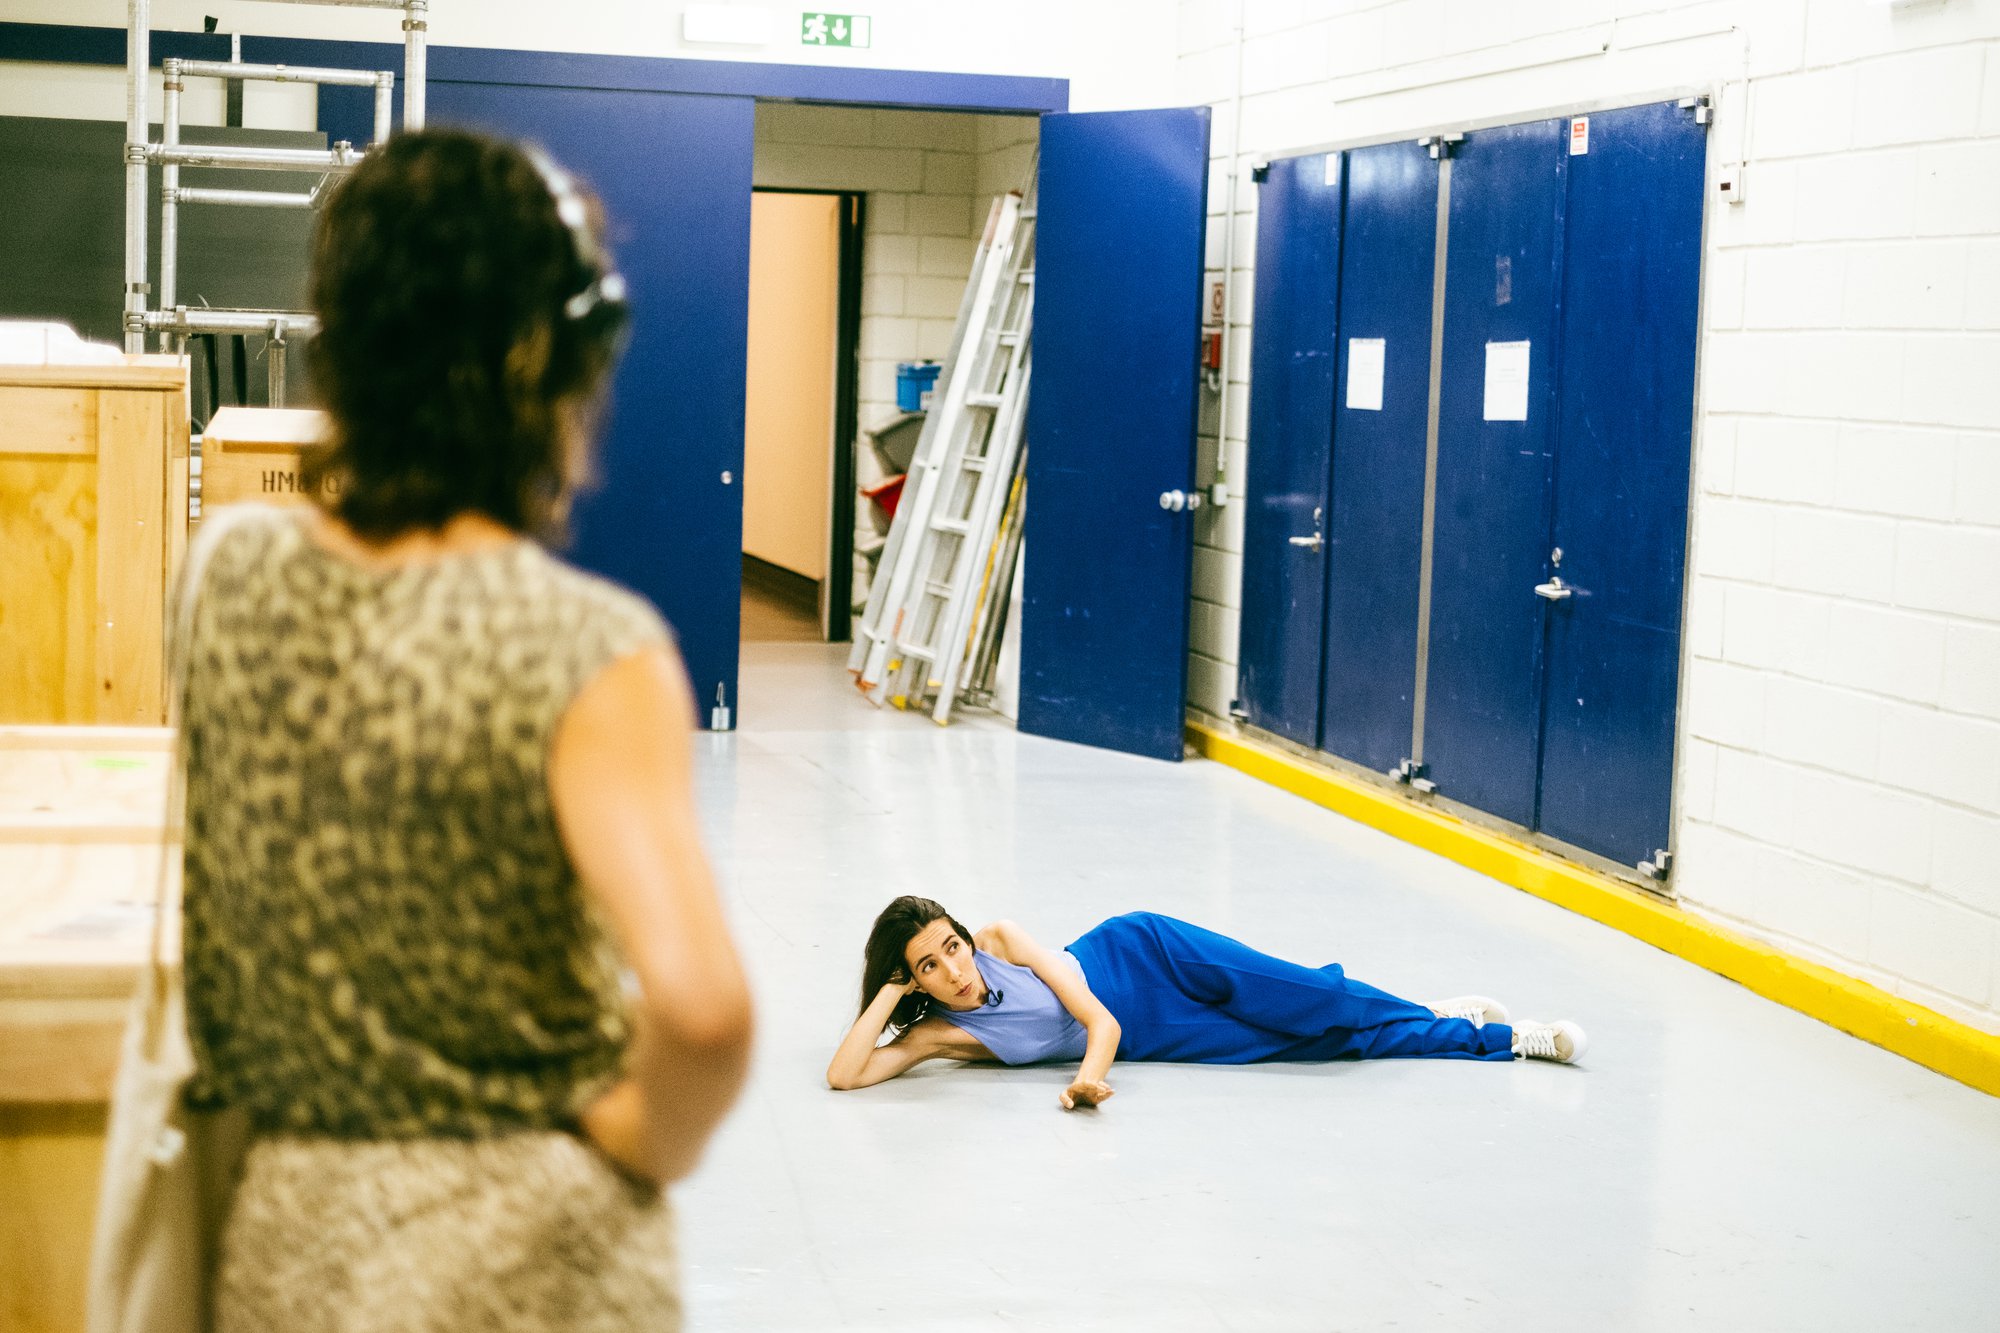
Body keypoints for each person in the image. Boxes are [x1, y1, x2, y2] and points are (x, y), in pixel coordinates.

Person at [175, 129, 753, 1331]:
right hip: (525, 1250)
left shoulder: (225, 571)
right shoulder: (587, 646)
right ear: (544, 357)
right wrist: (625, 1141)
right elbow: (703, 1013)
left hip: (288, 1229)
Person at [828, 898, 1585, 1108]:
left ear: (966, 936)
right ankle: (1437, 1021)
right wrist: (889, 992)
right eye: (928, 966)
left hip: (1144, 955)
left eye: (949, 947)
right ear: (915, 981)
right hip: (1162, 1033)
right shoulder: (939, 1034)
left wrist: (1089, 1080)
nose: (953, 968)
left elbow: (1100, 1021)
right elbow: (845, 1075)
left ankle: (1508, 1036)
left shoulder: (999, 935)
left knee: (1308, 994)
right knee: (1316, 1042)